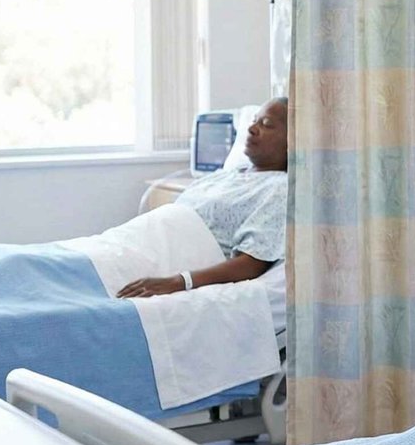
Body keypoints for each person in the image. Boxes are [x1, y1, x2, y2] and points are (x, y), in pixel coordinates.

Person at [117, 97, 289, 298]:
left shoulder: (278, 189)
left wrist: (181, 281)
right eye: (254, 120)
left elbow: (252, 262)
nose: (252, 129)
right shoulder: (228, 174)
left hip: (164, 260)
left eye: (266, 124)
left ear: (291, 142)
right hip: (138, 243)